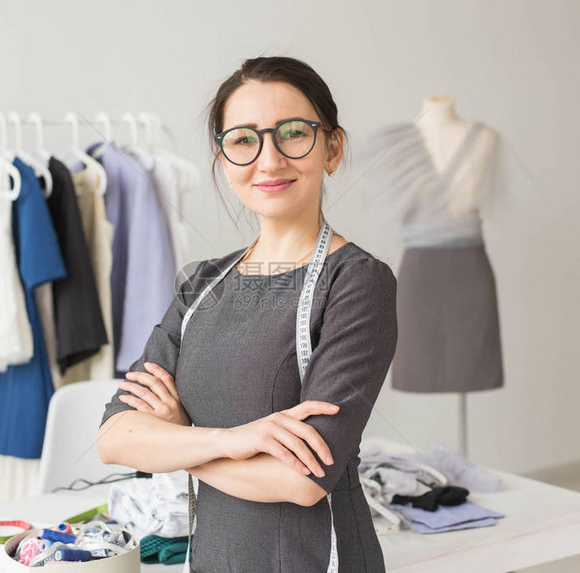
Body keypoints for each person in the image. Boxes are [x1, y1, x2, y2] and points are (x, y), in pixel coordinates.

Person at [97, 56, 398, 572]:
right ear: (223, 159)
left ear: (333, 147)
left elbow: (301, 481)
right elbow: (114, 438)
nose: (270, 159)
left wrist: (179, 437)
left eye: (293, 133)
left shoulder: (356, 281)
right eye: (243, 139)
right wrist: (234, 441)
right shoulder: (202, 283)